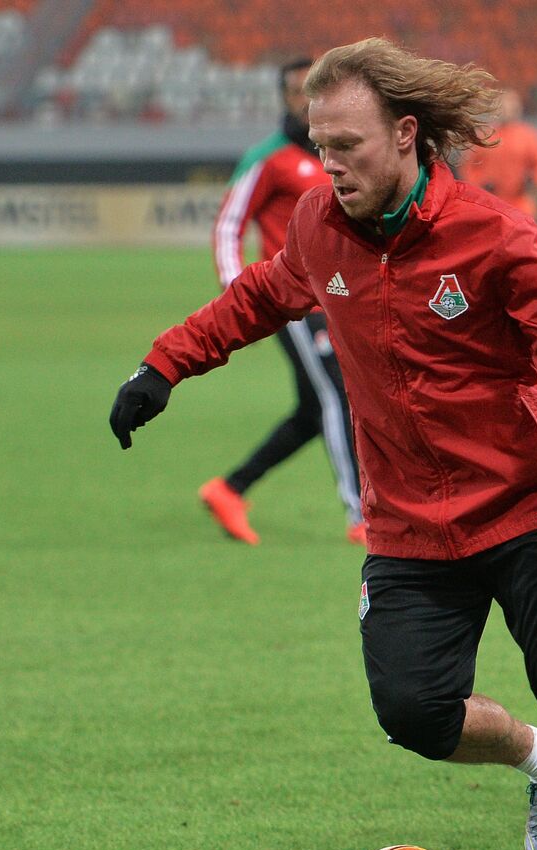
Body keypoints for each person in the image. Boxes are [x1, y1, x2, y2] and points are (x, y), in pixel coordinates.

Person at [109, 38, 537, 850]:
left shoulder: (494, 235)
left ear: (406, 135)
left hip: (526, 505)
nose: (327, 163)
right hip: (408, 525)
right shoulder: (318, 223)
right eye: (319, 143)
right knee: (414, 715)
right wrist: (164, 367)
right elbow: (258, 299)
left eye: (346, 145)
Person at [203, 55, 366, 546]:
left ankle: (229, 489)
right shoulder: (270, 157)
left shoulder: (338, 152)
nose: (308, 99)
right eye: (298, 90)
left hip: (340, 299)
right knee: (339, 396)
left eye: (317, 89)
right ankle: (362, 515)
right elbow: (229, 225)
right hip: (294, 301)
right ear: (284, 97)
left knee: (314, 410)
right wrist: (240, 301)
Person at [458, 89, 537, 229]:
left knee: (524, 241)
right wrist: (479, 185)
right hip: (490, 202)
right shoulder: (484, 135)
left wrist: (534, 181)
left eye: (511, 107)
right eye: (503, 107)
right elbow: (468, 166)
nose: (507, 111)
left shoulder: (528, 136)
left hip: (521, 202)